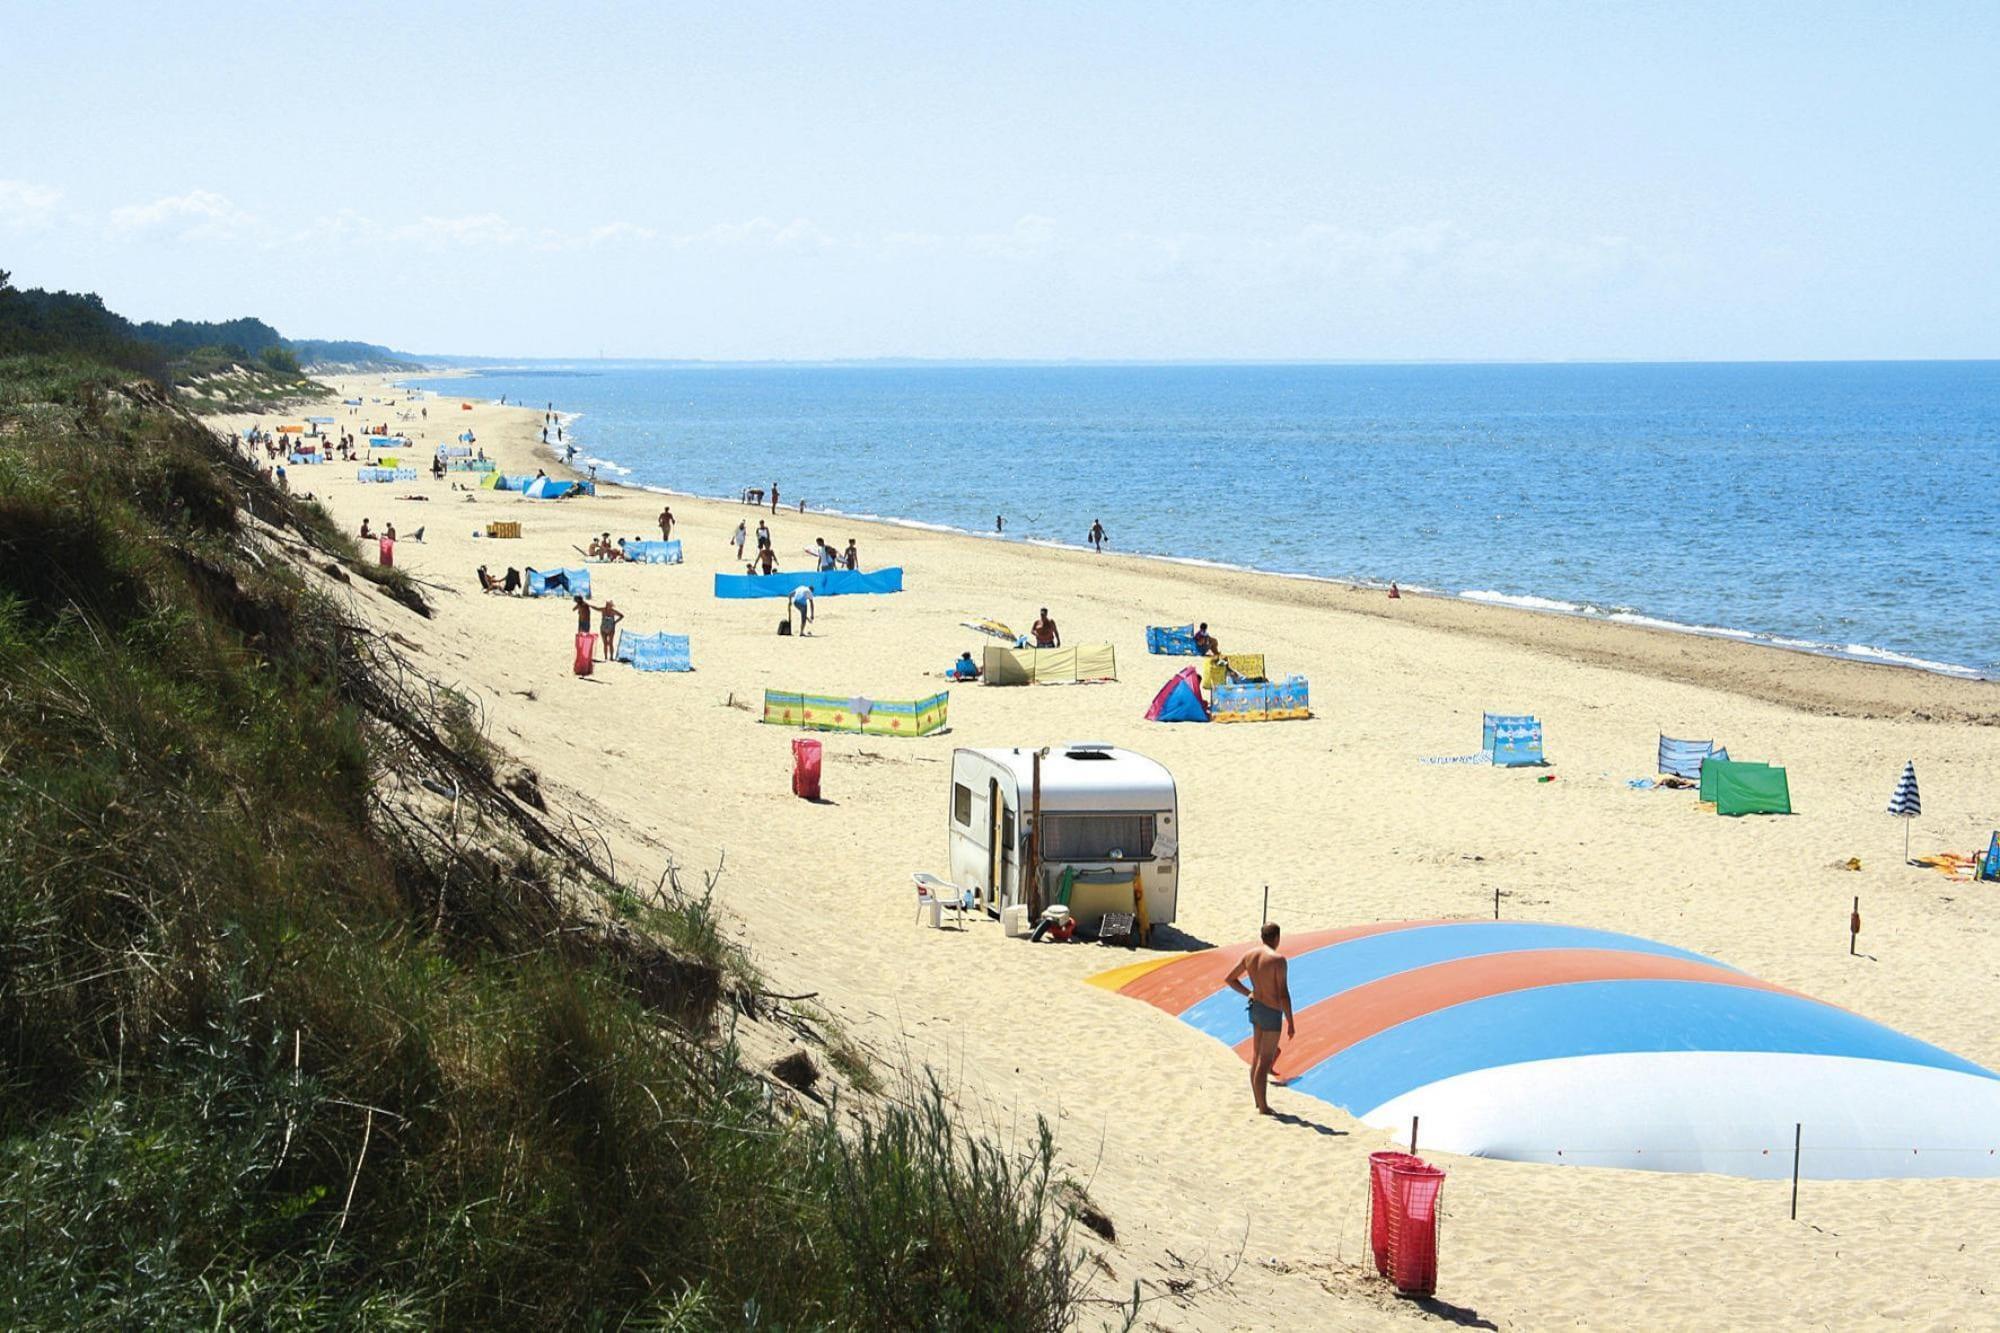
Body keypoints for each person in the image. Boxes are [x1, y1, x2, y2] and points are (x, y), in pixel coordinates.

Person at [1223, 922, 1295, 1115]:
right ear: (1277, 938)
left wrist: (1249, 992)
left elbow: (1230, 979)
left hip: (1255, 1008)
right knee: (1265, 1060)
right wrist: (1290, 1021)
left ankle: (1258, 1101)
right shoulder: (1278, 960)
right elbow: (1283, 994)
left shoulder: (1250, 955)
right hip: (1271, 1011)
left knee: (1256, 1057)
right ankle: (1263, 1107)